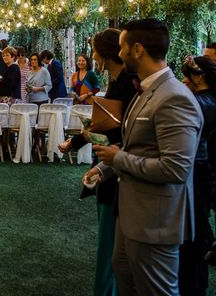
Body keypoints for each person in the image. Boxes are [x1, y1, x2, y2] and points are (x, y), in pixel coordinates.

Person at [94, 18, 202, 296]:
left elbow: (175, 169)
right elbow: (136, 147)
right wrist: (105, 169)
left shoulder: (175, 97)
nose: (118, 54)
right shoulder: (145, 90)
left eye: (122, 47)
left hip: (155, 223)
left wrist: (117, 160)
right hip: (131, 217)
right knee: (126, 280)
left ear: (138, 50)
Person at [59, 28, 138, 296]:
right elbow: (103, 126)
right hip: (106, 164)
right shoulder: (116, 82)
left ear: (105, 55)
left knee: (111, 247)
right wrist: (77, 141)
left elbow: (120, 133)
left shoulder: (129, 84)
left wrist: (102, 160)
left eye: (94, 51)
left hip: (118, 169)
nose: (91, 56)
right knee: (110, 246)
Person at [178, 55, 216, 295]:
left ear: (199, 76)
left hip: (200, 171)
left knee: (195, 235)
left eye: (187, 75)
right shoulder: (204, 99)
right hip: (201, 169)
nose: (184, 80)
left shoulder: (203, 103)